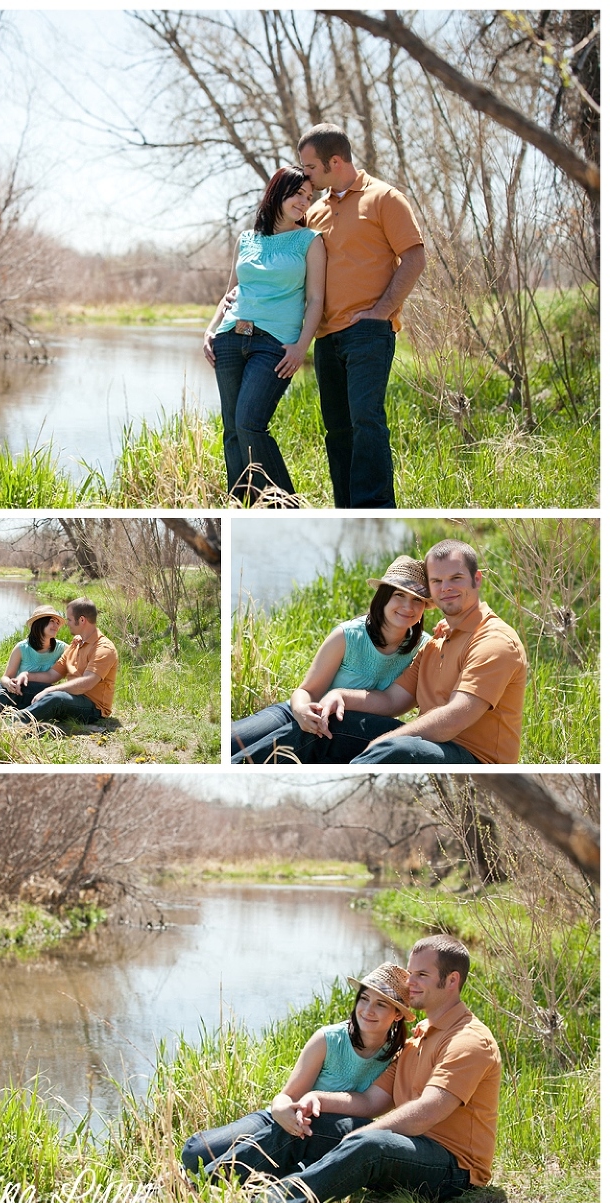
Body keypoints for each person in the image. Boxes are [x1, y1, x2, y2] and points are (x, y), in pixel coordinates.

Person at [259, 935, 502, 1203]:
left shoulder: (469, 1041)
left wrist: (359, 1136)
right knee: (315, 1124)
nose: (410, 982)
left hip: (455, 1169)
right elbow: (371, 1102)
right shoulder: (419, 1038)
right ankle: (217, 1179)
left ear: (451, 980)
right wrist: (316, 1099)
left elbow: (428, 1111)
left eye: (422, 974)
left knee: (369, 1144)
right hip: (413, 1146)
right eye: (411, 973)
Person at [182, 963, 413, 1183]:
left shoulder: (398, 1057)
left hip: (324, 1136)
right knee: (196, 1153)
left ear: (397, 1014)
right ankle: (247, 1166)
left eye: (381, 1004)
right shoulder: (329, 1039)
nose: (368, 1010)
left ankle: (221, 1179)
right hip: (285, 1119)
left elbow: (373, 1106)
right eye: (364, 999)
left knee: (283, 1169)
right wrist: (280, 1109)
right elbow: (288, 1096)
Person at [298, 123, 426, 509]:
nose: (305, 174)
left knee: (365, 421)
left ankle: (375, 506)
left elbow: (415, 258)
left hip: (368, 333)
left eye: (309, 167)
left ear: (335, 162)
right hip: (325, 337)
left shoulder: (385, 198)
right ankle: (346, 507)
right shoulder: (315, 210)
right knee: (336, 430)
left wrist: (380, 312)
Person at [317, 539, 528, 765]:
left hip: (477, 763)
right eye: (436, 581)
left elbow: (454, 718)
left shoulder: (494, 641)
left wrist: (382, 743)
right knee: (336, 725)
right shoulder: (435, 643)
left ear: (476, 580)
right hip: (433, 745)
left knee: (399, 748)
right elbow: (391, 701)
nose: (445, 587)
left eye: (456, 578)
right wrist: (341, 695)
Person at [231, 555, 432, 764]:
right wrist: (300, 710)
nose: (408, 607)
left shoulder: (425, 648)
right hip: (299, 713)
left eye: (417, 599)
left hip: (343, 731)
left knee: (253, 759)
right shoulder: (348, 635)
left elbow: (398, 702)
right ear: (383, 597)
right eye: (399, 595)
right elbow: (307, 691)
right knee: (232, 742)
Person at [204, 166, 326, 503]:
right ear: (278, 193)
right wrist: (210, 329)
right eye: (298, 194)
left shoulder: (309, 240)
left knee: (250, 423)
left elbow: (316, 298)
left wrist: (302, 346)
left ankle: (283, 503)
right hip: (230, 338)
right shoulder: (246, 239)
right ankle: (240, 499)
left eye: (309, 197)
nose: (304, 202)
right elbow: (231, 292)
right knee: (231, 428)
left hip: (274, 343)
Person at [0, 598, 118, 728]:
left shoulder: (103, 648)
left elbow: (86, 684)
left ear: (82, 620)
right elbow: (52, 674)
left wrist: (50, 690)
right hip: (73, 696)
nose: (65, 624)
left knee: (55, 698)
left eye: (70, 620)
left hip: (93, 707)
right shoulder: (77, 644)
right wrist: (26, 675)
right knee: (26, 687)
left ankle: (8, 725)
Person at [0, 606, 68, 713]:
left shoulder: (62, 648)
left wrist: (80, 640)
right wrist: (9, 684)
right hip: (13, 687)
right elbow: (6, 677)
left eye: (57, 622)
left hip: (33, 692)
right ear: (39, 622)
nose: (56, 625)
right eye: (52, 621)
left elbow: (79, 652)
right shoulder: (22, 647)